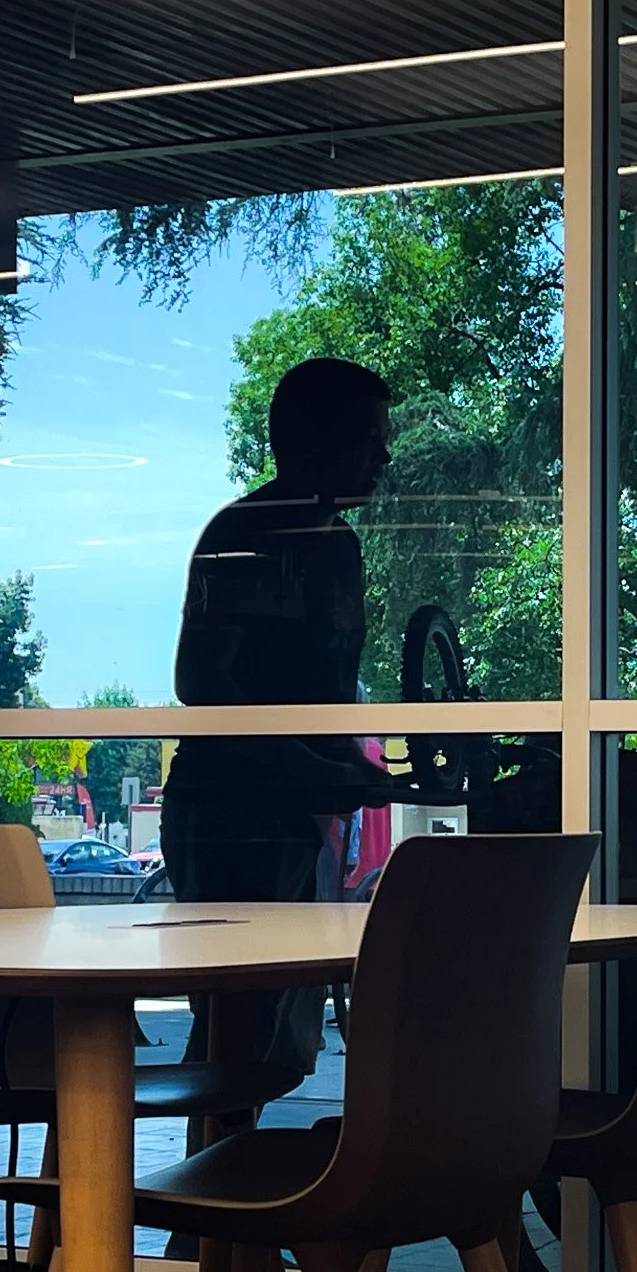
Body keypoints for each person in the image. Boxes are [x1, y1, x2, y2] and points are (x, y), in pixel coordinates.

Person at [162, 357, 400, 1077]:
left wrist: (336, 768)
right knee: (243, 1029)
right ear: (312, 439)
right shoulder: (252, 532)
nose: (384, 455)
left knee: (279, 1038)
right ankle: (218, 1176)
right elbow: (202, 684)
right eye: (369, 436)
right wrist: (318, 768)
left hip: (295, 815)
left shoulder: (335, 543)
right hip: (232, 818)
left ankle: (225, 1169)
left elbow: (315, 691)